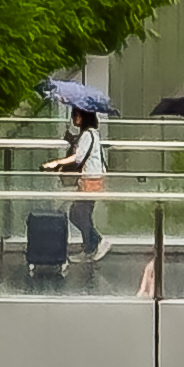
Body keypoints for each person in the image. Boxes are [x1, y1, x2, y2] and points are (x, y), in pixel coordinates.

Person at [42, 107, 112, 262]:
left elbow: (78, 157)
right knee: (80, 213)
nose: (74, 119)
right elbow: (82, 150)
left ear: (83, 117)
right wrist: (72, 140)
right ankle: (89, 246)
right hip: (91, 178)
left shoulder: (88, 135)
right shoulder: (90, 134)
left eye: (76, 116)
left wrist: (57, 163)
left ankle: (98, 242)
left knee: (78, 213)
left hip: (91, 180)